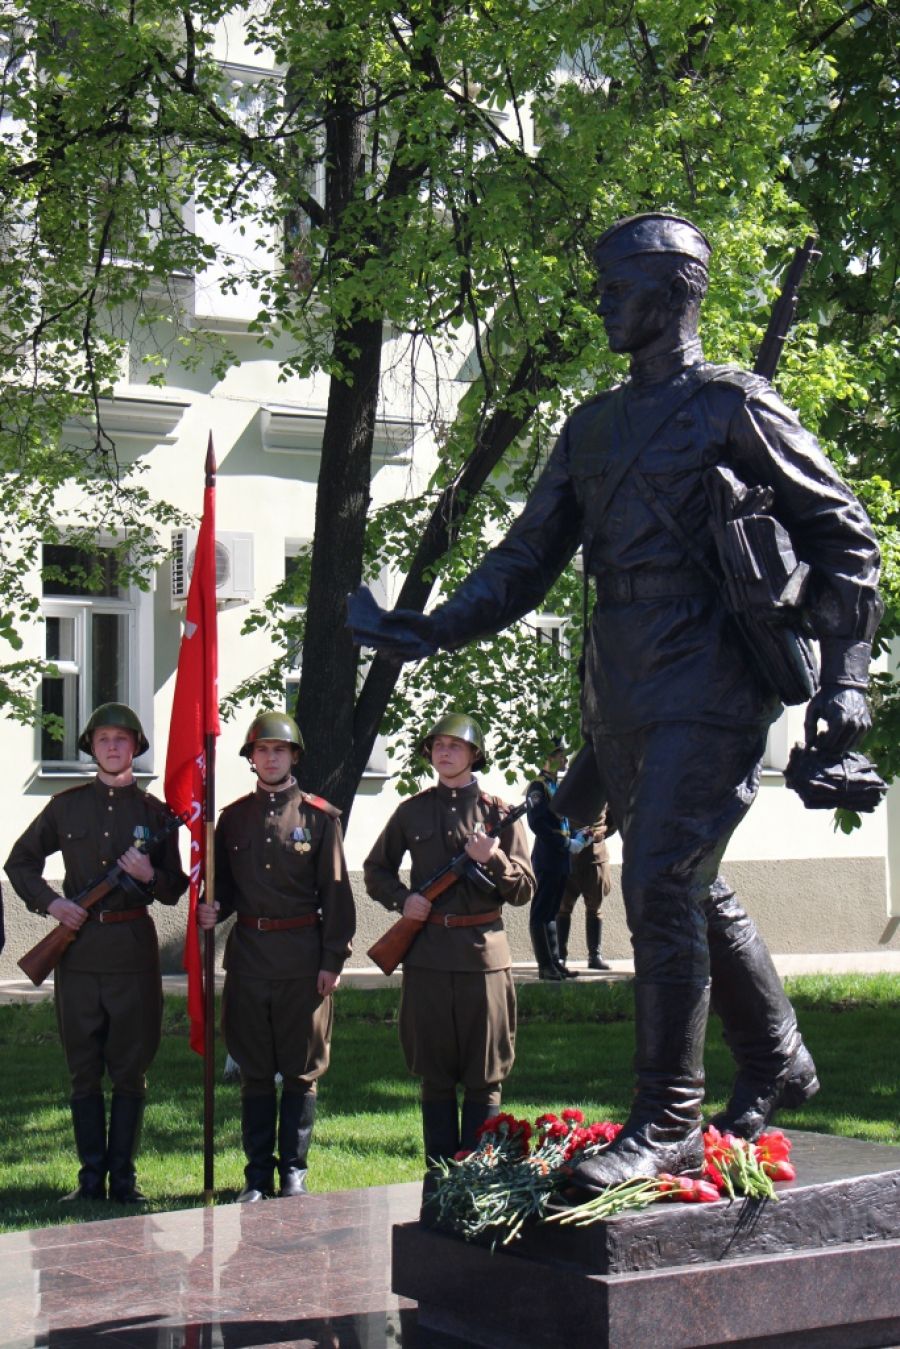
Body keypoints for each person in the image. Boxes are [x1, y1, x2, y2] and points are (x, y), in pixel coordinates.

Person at [348, 212, 882, 1190]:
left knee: (660, 885)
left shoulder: (735, 406)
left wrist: (846, 683)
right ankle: (776, 1056)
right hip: (621, 682)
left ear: (675, 289)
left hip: (714, 677)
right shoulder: (591, 427)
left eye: (618, 283)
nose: (601, 299)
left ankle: (670, 1116)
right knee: (687, 879)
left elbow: (847, 537)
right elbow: (526, 554)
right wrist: (431, 627)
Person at [4, 703, 188, 1203]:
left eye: (122, 739)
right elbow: (20, 862)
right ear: (91, 746)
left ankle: (123, 1180)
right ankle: (89, 1181)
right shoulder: (66, 807)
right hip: (78, 953)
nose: (112, 746)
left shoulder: (155, 816)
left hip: (131, 951)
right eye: (104, 738)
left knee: (130, 1066)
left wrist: (150, 876)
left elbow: (174, 886)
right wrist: (52, 903)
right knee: (83, 1066)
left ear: (135, 748)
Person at [363, 713, 535, 1168]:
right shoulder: (412, 811)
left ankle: (479, 1174)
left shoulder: (499, 814)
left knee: (485, 1074)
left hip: (483, 956)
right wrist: (404, 902)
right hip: (429, 956)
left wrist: (493, 858)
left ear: (474, 754)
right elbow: (375, 870)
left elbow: (523, 891)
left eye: (455, 746)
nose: (445, 752)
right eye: (438, 745)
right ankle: (439, 1174)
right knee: (435, 1075)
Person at [196, 711, 355, 1202]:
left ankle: (294, 1172)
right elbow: (224, 889)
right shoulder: (234, 818)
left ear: (294, 757)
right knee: (256, 1070)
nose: (270, 757)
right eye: (261, 750)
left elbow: (336, 895)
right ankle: (256, 1176)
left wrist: (332, 960)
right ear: (251, 759)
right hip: (248, 959)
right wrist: (213, 908)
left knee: (301, 1069)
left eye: (279, 750)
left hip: (303, 960)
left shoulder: (318, 818)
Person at [525, 740, 585, 980]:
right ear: (548, 758)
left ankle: (555, 961)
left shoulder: (554, 785)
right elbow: (537, 823)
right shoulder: (538, 786)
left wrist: (577, 837)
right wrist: (564, 843)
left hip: (560, 858)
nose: (564, 760)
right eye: (560, 755)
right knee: (541, 910)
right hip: (548, 855)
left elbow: (562, 820)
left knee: (553, 910)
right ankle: (544, 965)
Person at [557, 810, 612, 972]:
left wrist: (601, 833)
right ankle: (560, 955)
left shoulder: (604, 786)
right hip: (567, 854)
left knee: (595, 907)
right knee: (562, 907)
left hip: (595, 856)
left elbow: (613, 817)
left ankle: (595, 956)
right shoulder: (562, 786)